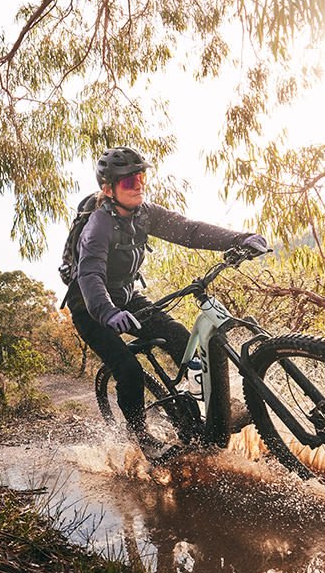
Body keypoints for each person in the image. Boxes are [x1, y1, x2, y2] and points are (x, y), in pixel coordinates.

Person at [64, 146, 269, 461]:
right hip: (90, 306)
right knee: (129, 370)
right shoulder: (98, 226)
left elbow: (189, 231)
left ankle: (209, 408)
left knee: (181, 339)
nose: (139, 186)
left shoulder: (145, 213)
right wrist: (108, 312)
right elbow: (90, 275)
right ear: (108, 189)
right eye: (129, 182)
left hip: (126, 296)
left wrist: (239, 238)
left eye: (141, 177)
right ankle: (142, 437)